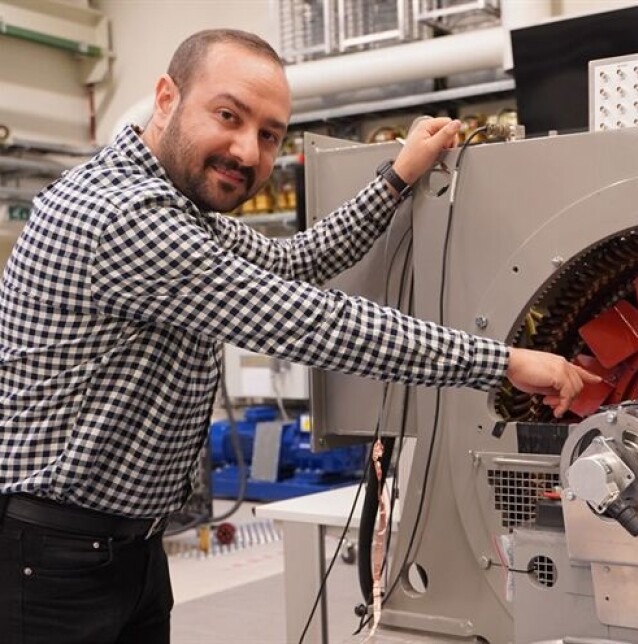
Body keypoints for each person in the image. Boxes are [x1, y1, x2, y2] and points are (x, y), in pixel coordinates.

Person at [0, 29, 598, 643]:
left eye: (268, 135)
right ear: (164, 98)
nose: (246, 151)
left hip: (125, 546)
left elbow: (295, 262)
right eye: (228, 115)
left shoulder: (182, 212)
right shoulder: (124, 216)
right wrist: (502, 362)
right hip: (55, 555)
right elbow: (315, 322)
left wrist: (396, 178)